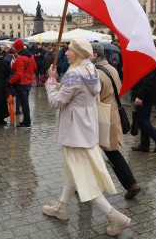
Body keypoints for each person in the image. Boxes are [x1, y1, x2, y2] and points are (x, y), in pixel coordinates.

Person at [43, 38, 131, 236]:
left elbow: (55, 103)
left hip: (75, 131)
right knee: (73, 170)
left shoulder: (74, 73)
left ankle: (115, 216)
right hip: (86, 130)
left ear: (79, 54)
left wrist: (50, 81)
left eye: (70, 51)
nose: (66, 54)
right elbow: (77, 94)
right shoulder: (91, 69)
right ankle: (62, 206)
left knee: (83, 178)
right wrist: (61, 85)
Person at [90, 43, 141, 200]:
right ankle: (129, 184)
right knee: (105, 152)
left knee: (106, 153)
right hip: (112, 113)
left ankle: (131, 184)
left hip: (101, 116)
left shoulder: (95, 73)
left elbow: (92, 99)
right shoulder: (111, 68)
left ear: (95, 55)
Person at [130, 64, 156, 153]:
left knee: (141, 120)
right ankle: (144, 144)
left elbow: (148, 82)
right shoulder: (145, 61)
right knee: (144, 119)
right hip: (144, 96)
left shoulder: (149, 62)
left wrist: (140, 96)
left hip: (145, 97)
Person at [9, 39, 37, 128]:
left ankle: (27, 122)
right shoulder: (31, 56)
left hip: (22, 84)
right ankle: (26, 121)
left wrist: (10, 81)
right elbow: (35, 68)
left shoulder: (20, 58)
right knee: (25, 103)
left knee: (24, 104)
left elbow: (19, 74)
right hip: (28, 82)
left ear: (17, 48)